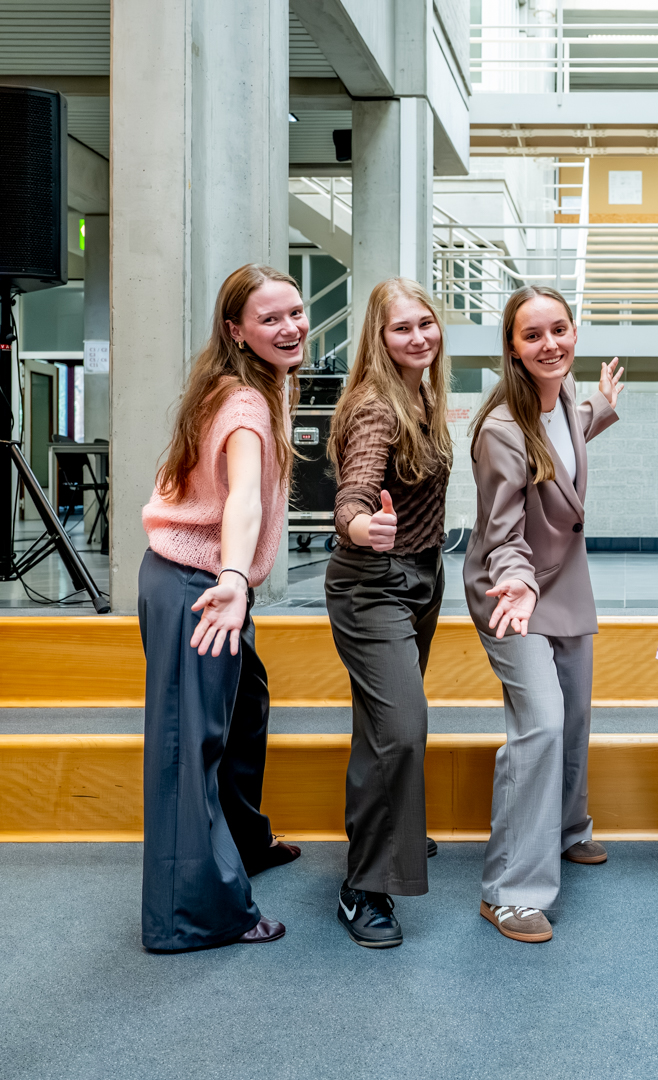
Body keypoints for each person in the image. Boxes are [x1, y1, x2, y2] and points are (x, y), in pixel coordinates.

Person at [137, 264, 307, 952]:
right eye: (270, 319)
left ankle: (243, 843)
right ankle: (194, 916)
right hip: (199, 585)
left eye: (295, 312)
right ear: (236, 330)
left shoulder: (254, 384)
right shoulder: (244, 404)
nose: (290, 327)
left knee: (245, 709)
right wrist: (235, 575)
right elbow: (242, 498)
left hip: (203, 578)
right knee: (190, 747)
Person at [464, 285, 625, 943]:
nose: (549, 344)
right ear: (512, 348)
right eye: (532, 335)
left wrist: (603, 406)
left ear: (574, 332)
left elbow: (571, 428)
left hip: (564, 585)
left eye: (559, 329)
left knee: (575, 713)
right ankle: (509, 891)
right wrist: (518, 584)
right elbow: (502, 533)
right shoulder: (500, 430)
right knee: (542, 724)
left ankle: (565, 827)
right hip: (513, 592)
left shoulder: (561, 400)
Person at [322, 278, 453, 948]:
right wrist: (359, 524)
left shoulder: (424, 391)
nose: (418, 337)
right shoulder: (377, 405)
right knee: (401, 731)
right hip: (372, 582)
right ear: (378, 337)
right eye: (402, 328)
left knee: (381, 728)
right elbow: (354, 491)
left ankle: (388, 827)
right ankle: (363, 888)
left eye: (425, 323)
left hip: (420, 576)